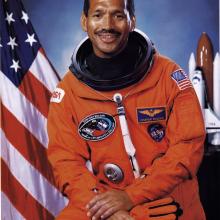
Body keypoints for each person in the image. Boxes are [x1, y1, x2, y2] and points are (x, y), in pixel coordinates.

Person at [47, 0, 206, 219]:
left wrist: (131, 196)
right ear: (85, 21)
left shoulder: (168, 76)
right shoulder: (68, 92)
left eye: (118, 16)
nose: (107, 24)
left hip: (168, 197)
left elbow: (188, 146)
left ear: (132, 21)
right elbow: (65, 162)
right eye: (98, 15)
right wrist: (105, 209)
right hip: (104, 198)